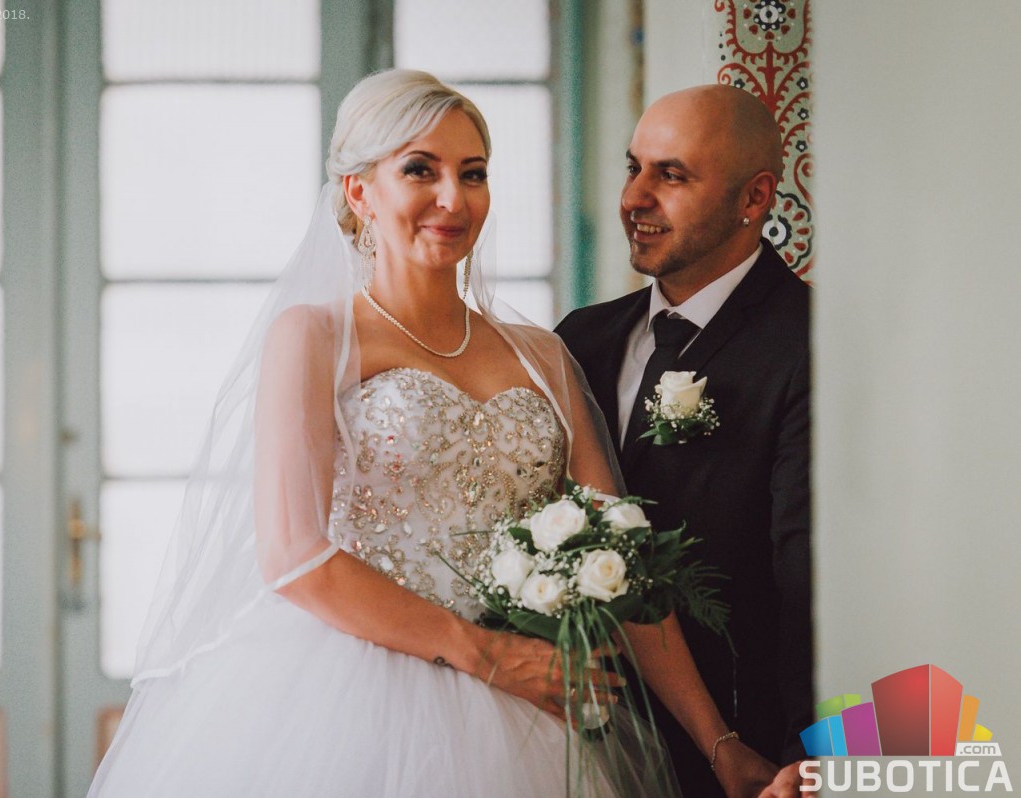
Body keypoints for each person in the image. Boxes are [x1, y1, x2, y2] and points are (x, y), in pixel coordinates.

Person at [88, 70, 774, 798]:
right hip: (346, 696)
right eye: (421, 170)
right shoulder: (316, 336)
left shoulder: (541, 356)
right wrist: (485, 655)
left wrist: (720, 746)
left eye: (472, 173)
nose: (454, 198)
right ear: (359, 192)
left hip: (526, 717)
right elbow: (293, 555)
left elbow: (622, 561)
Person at [555, 85, 813, 798]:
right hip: (574, 736)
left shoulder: (810, 344)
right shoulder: (580, 338)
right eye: (632, 167)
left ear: (754, 197)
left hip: (745, 754)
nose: (633, 198)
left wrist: (812, 755)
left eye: (670, 175)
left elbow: (813, 579)